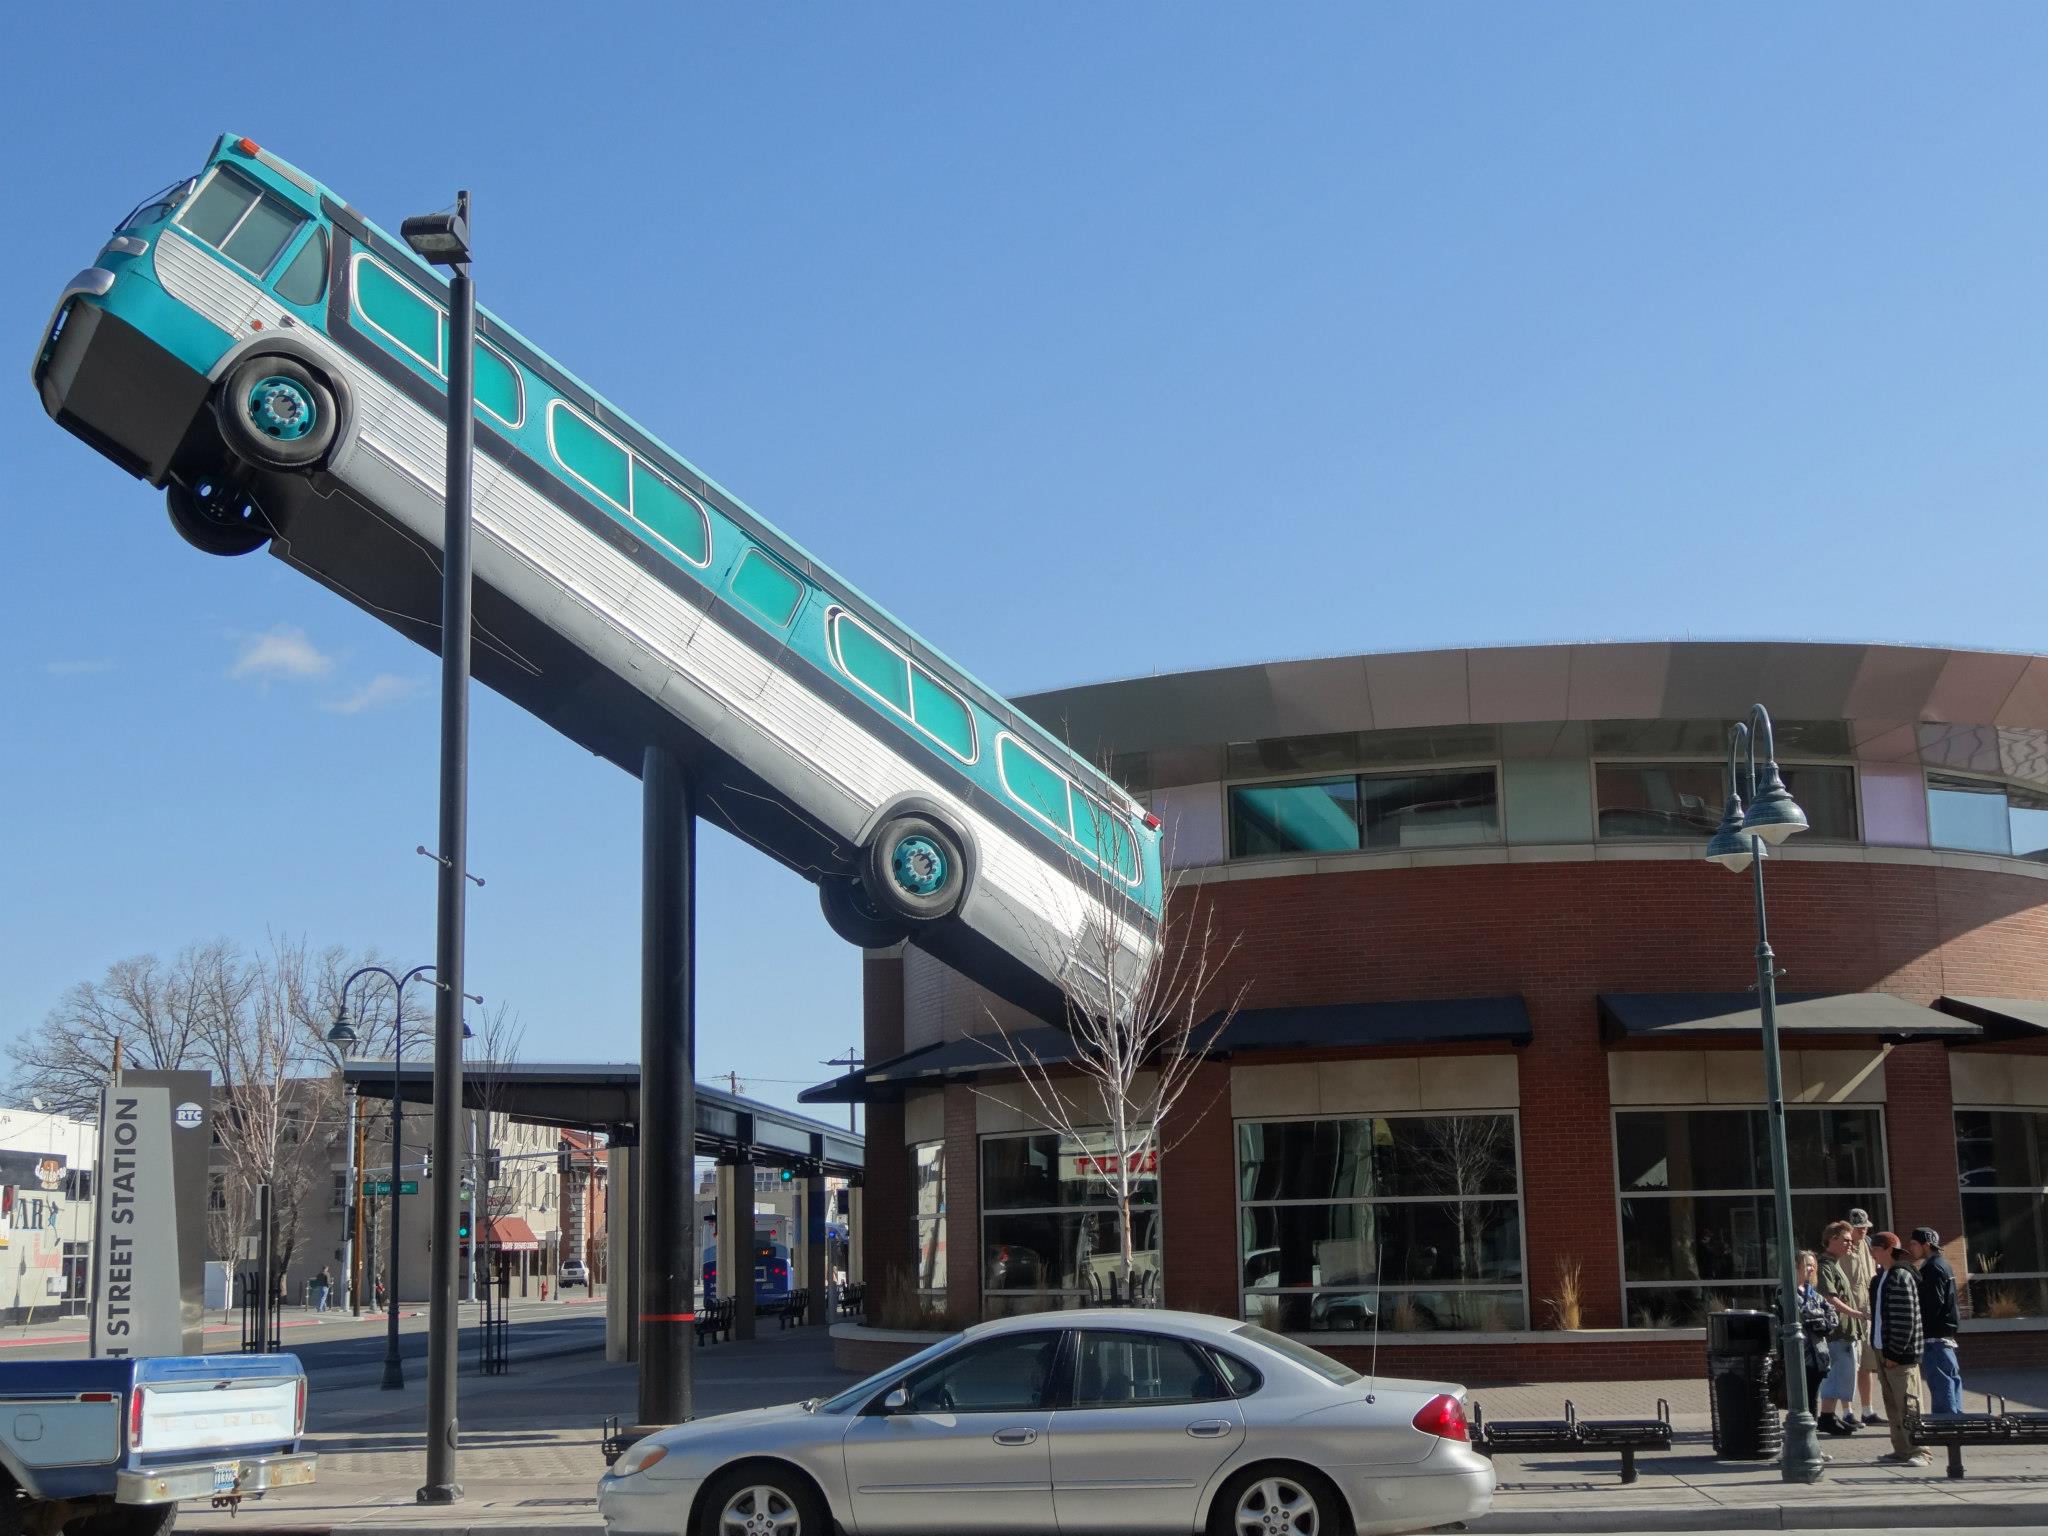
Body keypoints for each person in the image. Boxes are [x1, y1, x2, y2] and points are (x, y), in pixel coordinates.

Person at [1868, 1231, 1930, 1465]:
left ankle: (1920, 1451)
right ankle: (1902, 1449)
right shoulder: (1881, 1277)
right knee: (1892, 1405)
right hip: (1882, 1350)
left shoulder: (1900, 1276)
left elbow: (1906, 1318)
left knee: (1909, 1404)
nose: (1872, 1251)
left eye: (1875, 1247)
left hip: (1899, 1354)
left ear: (1887, 1249)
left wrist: (1894, 1353)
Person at [1816, 1221, 1867, 1435]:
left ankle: (1831, 1415)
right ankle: (1826, 1417)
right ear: (1832, 1239)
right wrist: (1854, 1313)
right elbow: (1829, 1296)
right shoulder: (1825, 1265)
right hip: (1836, 1332)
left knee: (1844, 1375)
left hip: (1846, 1331)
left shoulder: (1835, 1263)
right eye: (1845, 1240)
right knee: (1836, 1375)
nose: (1850, 1244)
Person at [1905, 1226, 1962, 1414]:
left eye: (1914, 1244)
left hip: (1935, 1337)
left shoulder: (1931, 1267)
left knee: (1940, 1382)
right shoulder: (1943, 1264)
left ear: (1926, 1245)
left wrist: (1920, 1327)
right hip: (1945, 1335)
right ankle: (1956, 1418)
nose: (1911, 1248)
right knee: (1951, 1379)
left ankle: (1946, 1423)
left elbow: (1933, 1303)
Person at [1841, 1206, 1879, 1425]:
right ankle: (1847, 1411)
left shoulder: (1867, 1245)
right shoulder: (1841, 1249)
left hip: (1867, 1314)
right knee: (1848, 1366)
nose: (1863, 1230)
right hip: (1848, 1314)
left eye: (1865, 1226)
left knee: (1867, 1364)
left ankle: (1867, 1410)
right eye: (1858, 1227)